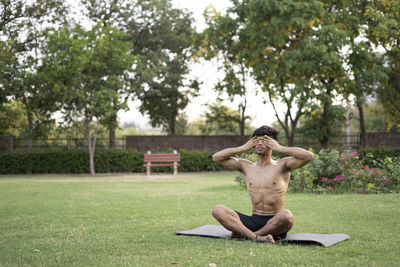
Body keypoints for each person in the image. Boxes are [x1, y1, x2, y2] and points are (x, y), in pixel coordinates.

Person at [211, 126, 314, 243]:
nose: (259, 143)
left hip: (275, 222)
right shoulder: (246, 166)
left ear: (272, 143)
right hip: (254, 220)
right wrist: (243, 148)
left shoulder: (283, 165)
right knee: (218, 210)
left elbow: (308, 156)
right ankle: (258, 237)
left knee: (287, 215)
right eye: (256, 140)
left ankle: (248, 235)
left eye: (264, 141)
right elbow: (216, 157)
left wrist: (280, 148)